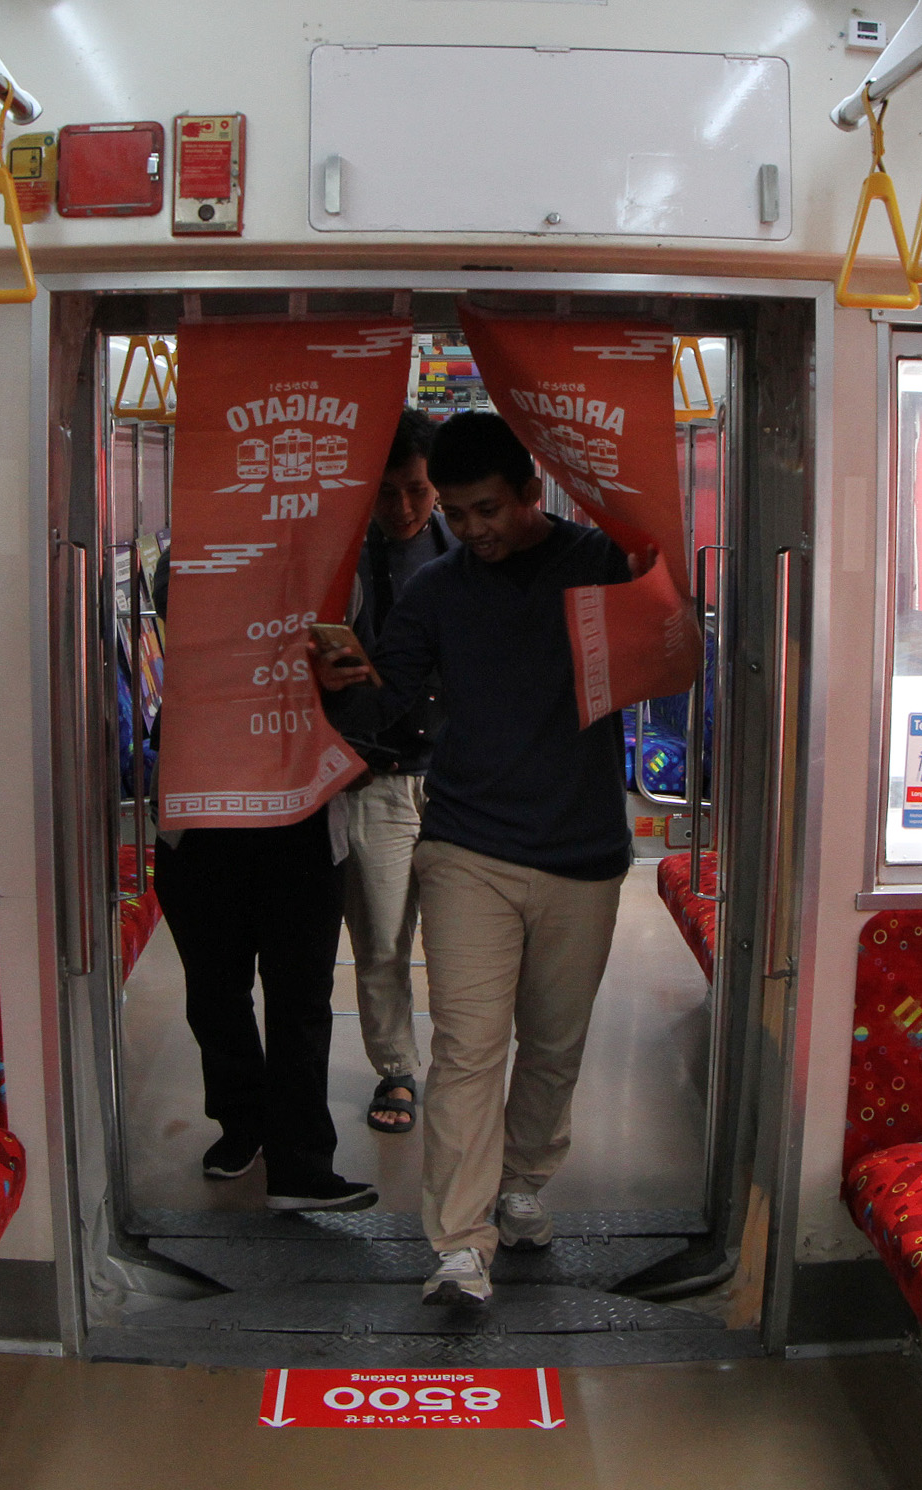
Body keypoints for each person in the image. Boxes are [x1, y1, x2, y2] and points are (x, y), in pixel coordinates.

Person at [311, 411, 634, 1305]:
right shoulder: (438, 592)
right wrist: (341, 690)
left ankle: (522, 1184)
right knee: (466, 1050)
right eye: (458, 514)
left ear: (533, 492)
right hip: (467, 849)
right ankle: (458, 1243)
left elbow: (666, 654)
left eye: (488, 508)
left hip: (584, 852)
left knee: (555, 1047)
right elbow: (388, 704)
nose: (473, 528)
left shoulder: (598, 565)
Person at [152, 568, 377, 1214]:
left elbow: (356, 670)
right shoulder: (192, 554)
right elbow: (172, 599)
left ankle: (302, 1162)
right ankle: (242, 1123)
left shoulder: (336, 565)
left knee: (300, 996)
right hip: (203, 816)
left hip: (302, 814)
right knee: (216, 991)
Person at [325, 409, 453, 1138]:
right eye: (386, 493)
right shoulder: (340, 566)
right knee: (379, 939)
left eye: (417, 489)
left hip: (457, 777)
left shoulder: (462, 550)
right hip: (375, 776)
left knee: (463, 941)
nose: (404, 508)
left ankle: (461, 1068)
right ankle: (398, 1069)